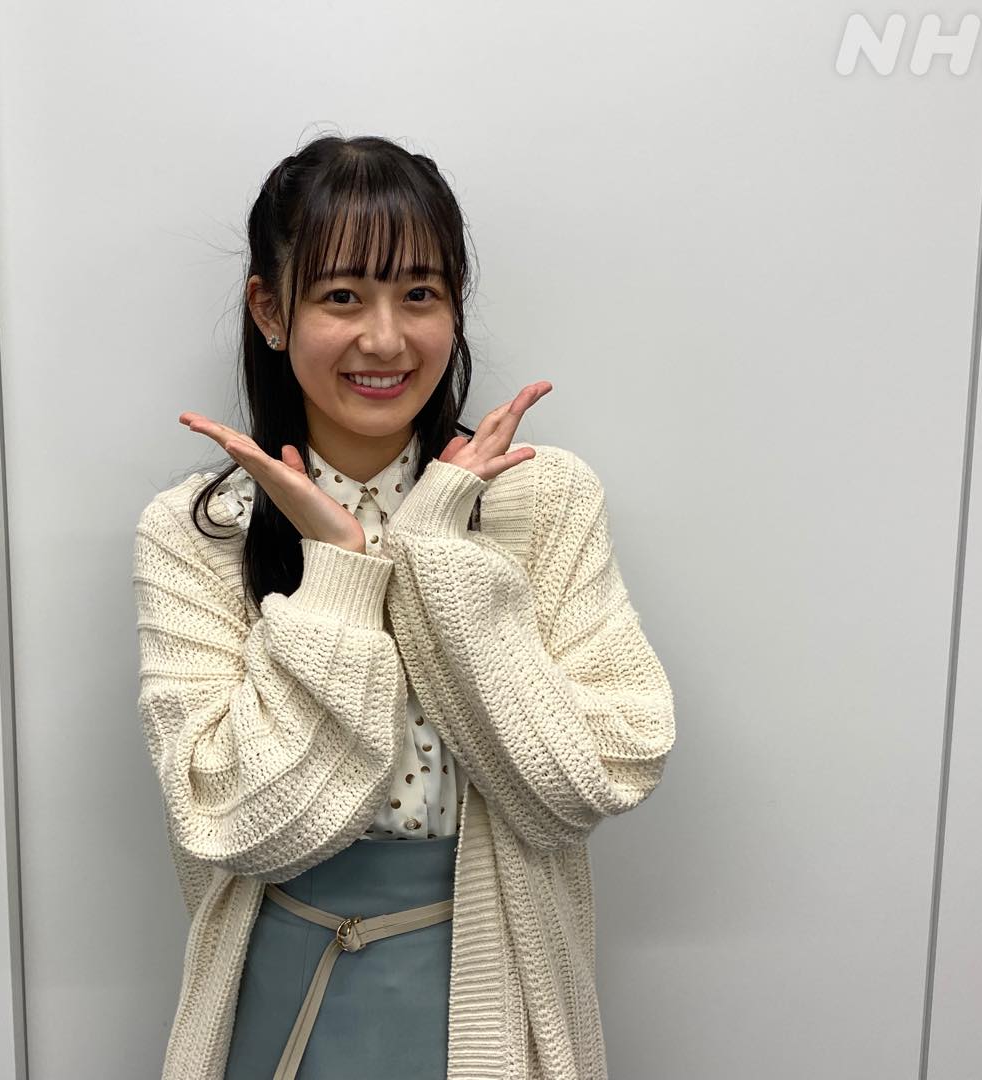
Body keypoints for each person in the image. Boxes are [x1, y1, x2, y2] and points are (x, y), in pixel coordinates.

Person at [132, 133, 677, 1079]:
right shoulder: (198, 532)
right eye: (342, 296)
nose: (385, 339)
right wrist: (341, 576)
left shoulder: (542, 499)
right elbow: (231, 819)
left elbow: (592, 777)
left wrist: (434, 548)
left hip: (496, 983)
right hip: (280, 983)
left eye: (420, 294)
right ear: (271, 310)